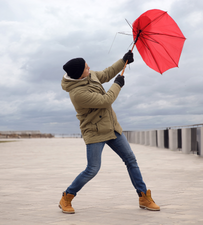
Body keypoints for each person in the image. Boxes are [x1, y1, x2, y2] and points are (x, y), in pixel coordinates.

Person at [60, 51, 160, 214]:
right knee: (92, 169)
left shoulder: (89, 75)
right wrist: (118, 84)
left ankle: (143, 197)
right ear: (79, 76)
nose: (89, 68)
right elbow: (106, 101)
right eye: (86, 68)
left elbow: (106, 74)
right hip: (95, 131)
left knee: (130, 160)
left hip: (111, 127)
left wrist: (123, 61)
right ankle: (67, 196)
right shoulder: (77, 94)